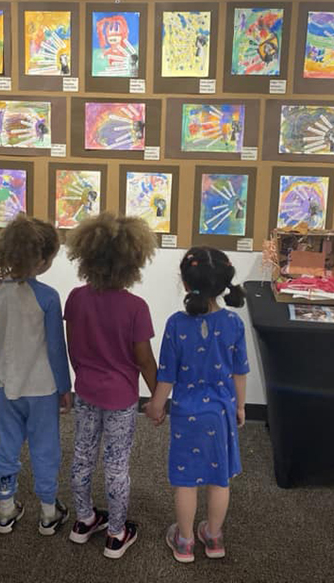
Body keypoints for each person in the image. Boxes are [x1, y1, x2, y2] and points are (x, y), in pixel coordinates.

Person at [145, 247, 249, 563]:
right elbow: (239, 371)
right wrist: (240, 408)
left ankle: (185, 541)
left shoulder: (176, 324)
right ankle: (214, 537)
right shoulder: (233, 323)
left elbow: (167, 375)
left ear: (187, 284)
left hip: (186, 414)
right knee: (220, 480)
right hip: (220, 414)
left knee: (186, 481)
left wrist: (156, 406)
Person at [64, 212, 158, 559]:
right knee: (117, 465)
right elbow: (144, 360)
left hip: (85, 392)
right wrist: (159, 398)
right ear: (134, 261)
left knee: (82, 457)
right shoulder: (136, 308)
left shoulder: (76, 298)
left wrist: (83, 375)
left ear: (86, 256)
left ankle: (84, 519)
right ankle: (116, 534)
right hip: (121, 399)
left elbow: (73, 346)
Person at [0, 215, 71, 536]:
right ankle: (47, 513)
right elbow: (57, 349)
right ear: (41, 260)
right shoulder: (48, 296)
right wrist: (65, 386)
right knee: (45, 448)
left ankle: (5, 508)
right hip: (43, 388)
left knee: (8, 444)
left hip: (9, 386)